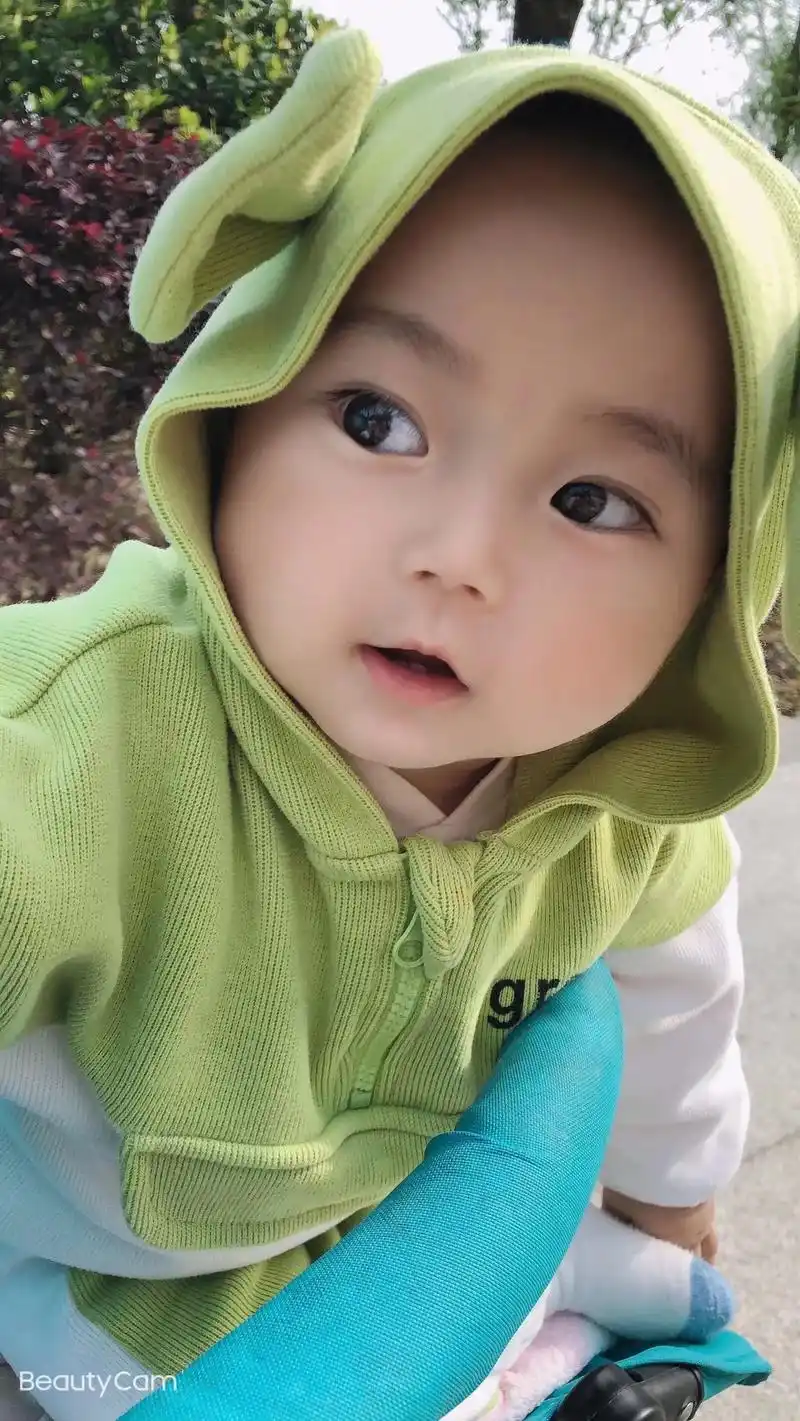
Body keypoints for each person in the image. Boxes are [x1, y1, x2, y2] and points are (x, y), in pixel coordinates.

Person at [0, 25, 798, 1421]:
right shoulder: (74, 747)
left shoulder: (623, 808)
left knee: (647, 1299)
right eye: (377, 421)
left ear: (712, 593)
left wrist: (670, 1196)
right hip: (105, 1276)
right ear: (240, 408)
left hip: (379, 1216)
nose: (458, 556)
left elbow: (680, 1003)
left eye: (593, 502)